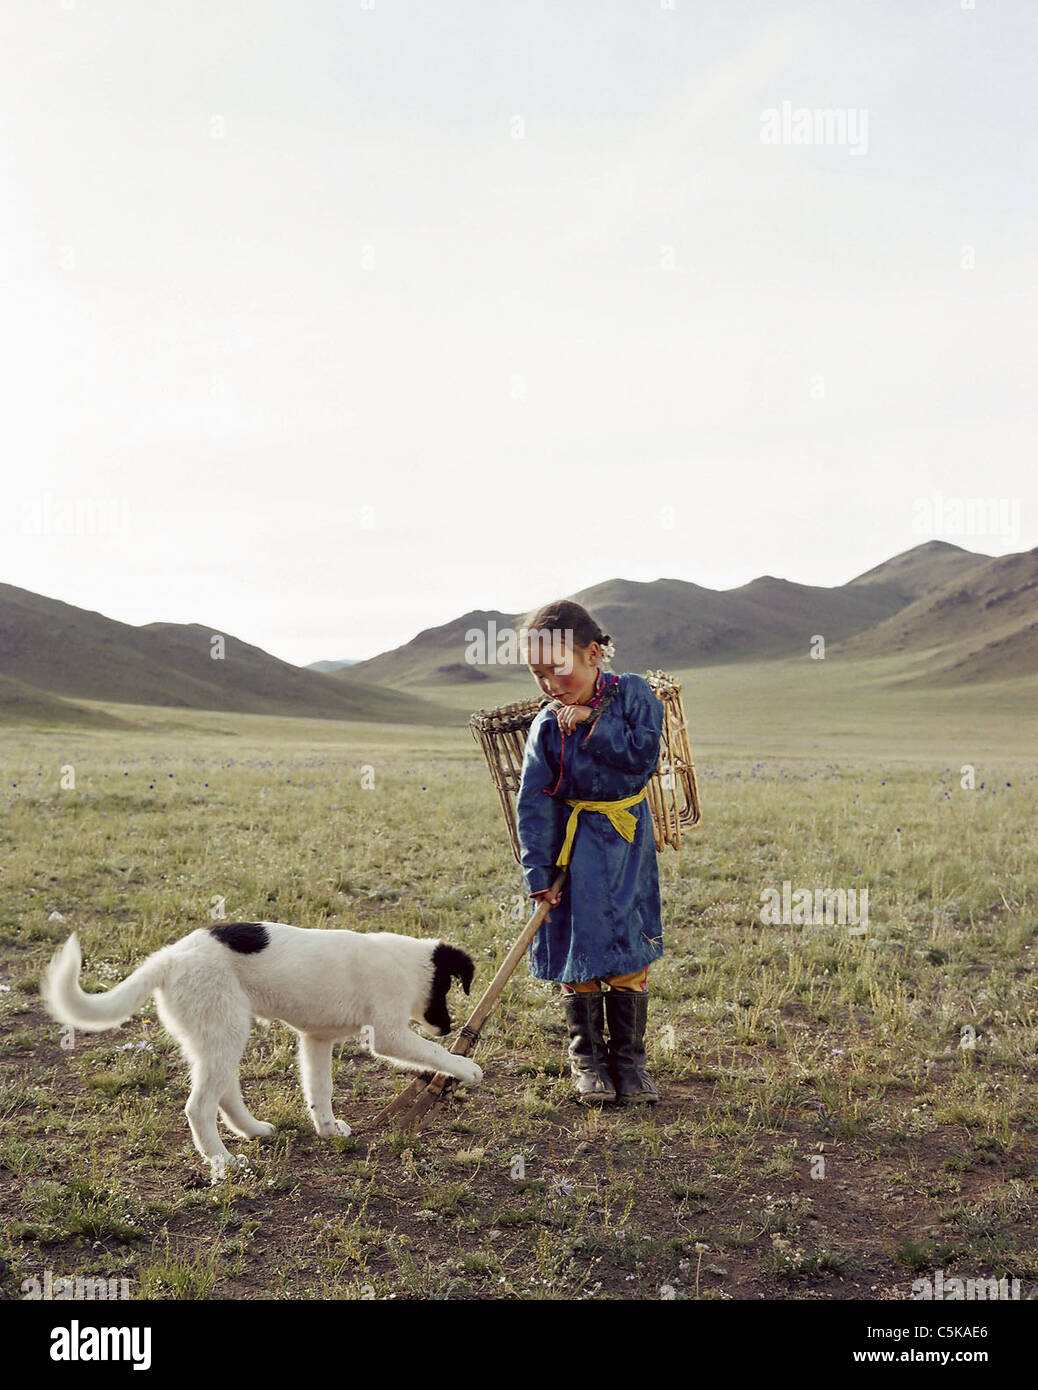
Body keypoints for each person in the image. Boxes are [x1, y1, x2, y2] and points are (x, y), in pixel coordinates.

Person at [515, 600, 665, 1105]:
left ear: (593, 653)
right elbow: (535, 800)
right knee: (578, 946)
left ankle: (630, 1065)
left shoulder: (633, 696)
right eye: (537, 675)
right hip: (572, 851)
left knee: (626, 939)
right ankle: (589, 1063)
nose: (550, 684)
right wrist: (539, 870)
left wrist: (591, 724)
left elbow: (641, 758)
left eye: (557, 670)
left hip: (625, 841)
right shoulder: (546, 725)